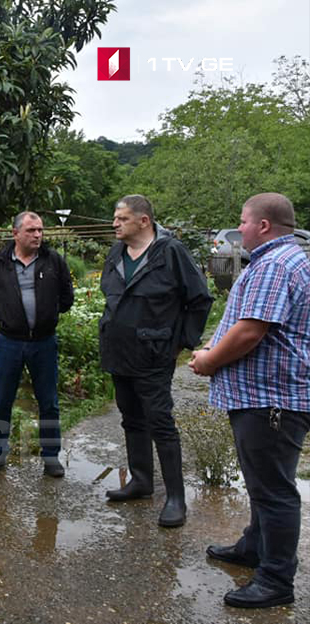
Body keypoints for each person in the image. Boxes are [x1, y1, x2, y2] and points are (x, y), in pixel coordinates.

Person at [189, 193, 309, 608]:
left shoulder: (274, 265)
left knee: (274, 489)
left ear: (262, 226)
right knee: (264, 482)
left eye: (242, 222)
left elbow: (251, 331)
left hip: (269, 397)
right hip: (269, 395)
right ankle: (254, 547)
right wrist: (214, 342)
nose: (238, 229)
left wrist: (209, 360)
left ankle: (276, 580)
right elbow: (246, 322)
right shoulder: (285, 260)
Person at [99, 195, 212, 527]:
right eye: (115, 219)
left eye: (121, 218)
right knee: (131, 419)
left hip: (153, 355)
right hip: (119, 353)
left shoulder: (170, 252)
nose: (115, 224)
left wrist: (181, 343)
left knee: (160, 422)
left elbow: (200, 299)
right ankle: (140, 481)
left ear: (143, 221)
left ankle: (175, 498)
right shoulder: (117, 253)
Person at [0, 211, 74, 477]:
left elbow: (67, 296)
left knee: (49, 402)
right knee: (1, 400)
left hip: (44, 342)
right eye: (31, 230)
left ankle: (51, 457)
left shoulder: (53, 260)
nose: (37, 235)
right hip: (10, 342)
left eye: (40, 230)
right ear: (16, 233)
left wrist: (48, 316)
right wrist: (3, 317)